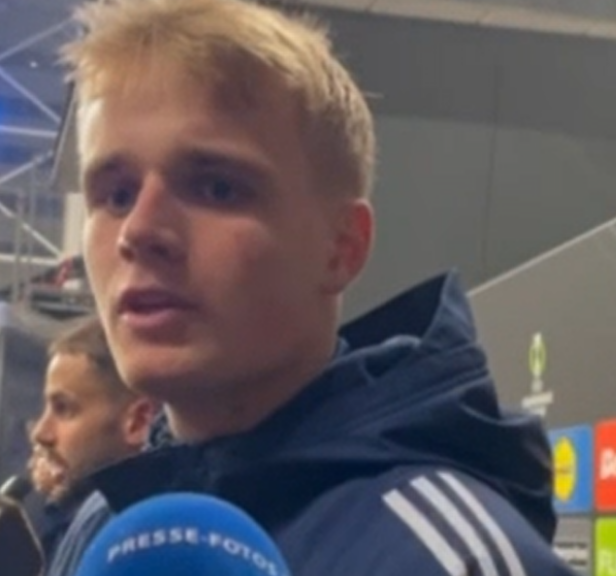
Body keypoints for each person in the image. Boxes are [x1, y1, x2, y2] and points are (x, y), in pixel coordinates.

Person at [48, 1, 572, 575]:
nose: (139, 231)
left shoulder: (452, 559)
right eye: (117, 195)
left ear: (342, 247)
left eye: (217, 188)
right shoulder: (105, 528)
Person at [24, 316, 156, 568]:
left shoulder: (116, 528)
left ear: (138, 421)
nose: (41, 433)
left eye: (63, 408)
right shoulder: (68, 515)